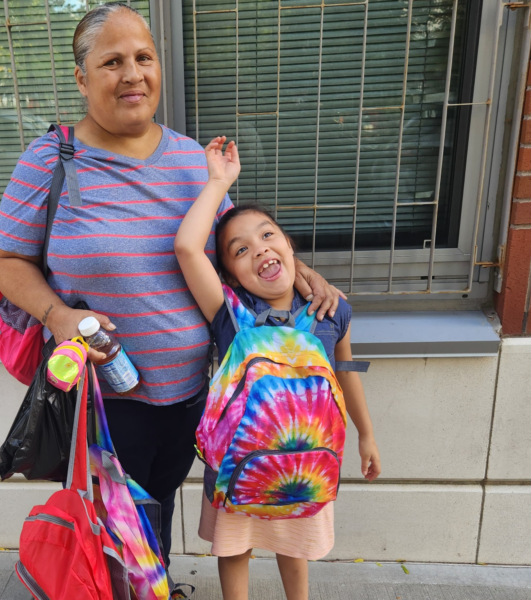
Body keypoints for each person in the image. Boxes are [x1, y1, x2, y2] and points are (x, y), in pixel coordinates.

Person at [0, 2, 343, 581]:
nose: (133, 74)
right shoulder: (50, 161)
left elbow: (238, 252)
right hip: (103, 405)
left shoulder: (189, 159)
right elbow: (7, 261)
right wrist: (55, 314)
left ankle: (153, 587)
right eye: (113, 62)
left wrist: (300, 276)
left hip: (190, 399)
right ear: (82, 78)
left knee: (158, 513)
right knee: (109, 532)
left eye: (144, 58)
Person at [174, 136, 382, 600]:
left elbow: (346, 371)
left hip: (304, 464)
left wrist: (366, 433)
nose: (261, 250)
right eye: (240, 250)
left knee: (296, 546)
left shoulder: (332, 312)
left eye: (268, 236)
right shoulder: (228, 314)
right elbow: (188, 248)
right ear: (228, 276)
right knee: (235, 547)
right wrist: (218, 182)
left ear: (289, 245)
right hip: (237, 462)